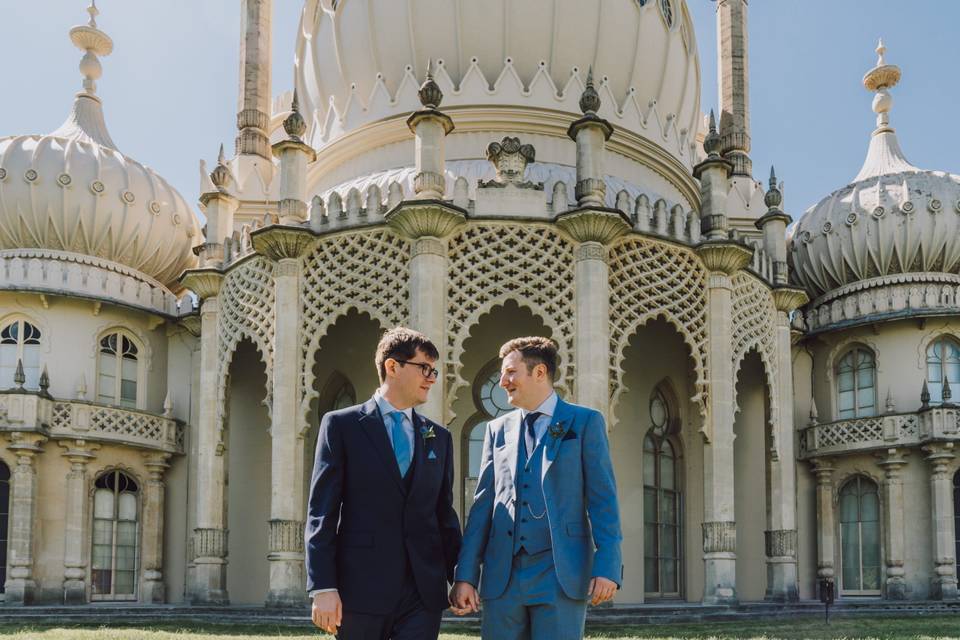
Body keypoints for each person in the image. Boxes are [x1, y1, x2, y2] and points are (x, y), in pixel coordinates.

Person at [450, 336, 622, 639]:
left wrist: (607, 564)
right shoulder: (497, 430)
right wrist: (465, 576)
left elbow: (603, 500)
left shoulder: (584, 423)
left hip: (560, 574)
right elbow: (482, 509)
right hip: (502, 576)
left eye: (511, 372)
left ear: (540, 372)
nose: (503, 381)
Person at [306, 327, 462, 639]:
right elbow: (322, 512)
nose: (432, 378)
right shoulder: (342, 425)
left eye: (434, 371)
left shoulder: (439, 438)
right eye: (425, 368)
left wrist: (460, 577)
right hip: (360, 589)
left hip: (423, 593)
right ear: (393, 367)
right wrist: (323, 586)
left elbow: (444, 515)